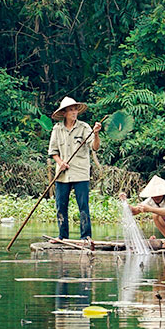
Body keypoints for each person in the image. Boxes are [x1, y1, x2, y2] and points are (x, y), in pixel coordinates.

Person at [48, 97, 101, 240]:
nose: (74, 112)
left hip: (81, 173)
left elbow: (94, 147)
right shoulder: (57, 129)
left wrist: (96, 133)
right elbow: (53, 151)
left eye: (75, 109)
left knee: (83, 206)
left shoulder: (84, 127)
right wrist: (60, 163)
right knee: (61, 207)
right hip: (62, 174)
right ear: (64, 113)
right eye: (70, 110)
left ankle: (86, 237)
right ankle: (62, 236)